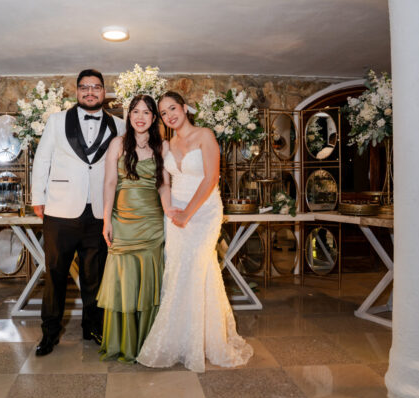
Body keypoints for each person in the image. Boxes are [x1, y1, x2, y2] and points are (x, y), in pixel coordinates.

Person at [137, 91, 253, 372]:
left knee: (198, 266)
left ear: (185, 108)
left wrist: (188, 213)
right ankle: (179, 340)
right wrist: (168, 208)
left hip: (203, 213)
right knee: (178, 270)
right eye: (163, 113)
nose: (169, 115)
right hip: (176, 213)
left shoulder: (204, 135)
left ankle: (206, 341)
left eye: (172, 108)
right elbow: (163, 182)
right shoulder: (166, 145)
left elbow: (211, 178)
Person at [31, 69, 126, 356]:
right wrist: (38, 197)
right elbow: (42, 159)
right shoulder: (57, 121)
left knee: (94, 276)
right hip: (60, 210)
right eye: (84, 87)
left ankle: (92, 328)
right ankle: (49, 334)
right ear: (77, 91)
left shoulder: (120, 125)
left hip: (99, 212)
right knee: (55, 275)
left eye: (96, 87)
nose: (90, 92)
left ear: (104, 91)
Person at [96, 95, 173, 363]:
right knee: (124, 282)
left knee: (150, 282)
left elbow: (164, 185)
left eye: (146, 112)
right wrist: (106, 220)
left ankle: (148, 343)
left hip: (151, 223)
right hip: (122, 222)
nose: (140, 117)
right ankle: (124, 343)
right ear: (129, 116)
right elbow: (109, 183)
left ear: (154, 118)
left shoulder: (162, 146)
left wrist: (170, 213)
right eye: (136, 112)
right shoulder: (117, 143)